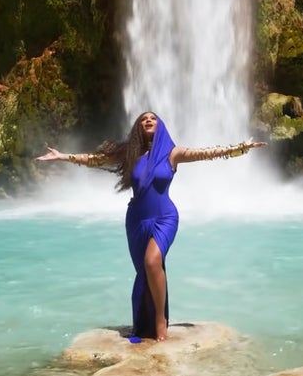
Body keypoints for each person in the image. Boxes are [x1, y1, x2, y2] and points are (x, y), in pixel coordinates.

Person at [35, 112, 266, 341]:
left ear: (161, 125)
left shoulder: (172, 153)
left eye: (153, 118)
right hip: (136, 219)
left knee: (152, 261)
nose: (148, 120)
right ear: (138, 127)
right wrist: (63, 156)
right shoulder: (130, 154)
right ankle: (144, 324)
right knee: (144, 272)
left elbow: (207, 153)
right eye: (144, 118)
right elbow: (95, 159)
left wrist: (241, 147)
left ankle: (160, 320)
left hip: (165, 217)